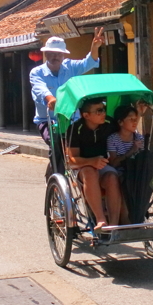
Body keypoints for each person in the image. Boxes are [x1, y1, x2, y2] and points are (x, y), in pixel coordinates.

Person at [30, 28, 105, 145]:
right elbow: (40, 89)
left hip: (72, 119)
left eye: (59, 54)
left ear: (63, 55)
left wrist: (95, 47)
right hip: (48, 120)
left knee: (82, 146)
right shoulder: (36, 72)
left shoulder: (70, 66)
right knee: (57, 145)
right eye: (52, 53)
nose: (56, 56)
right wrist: (51, 99)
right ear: (46, 54)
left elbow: (89, 62)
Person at [67, 98, 125, 231]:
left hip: (104, 166)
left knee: (111, 177)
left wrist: (139, 113)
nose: (103, 113)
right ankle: (101, 220)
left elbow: (126, 128)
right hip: (82, 168)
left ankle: (114, 224)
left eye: (103, 109)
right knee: (90, 172)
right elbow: (71, 160)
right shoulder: (75, 129)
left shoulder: (109, 123)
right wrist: (91, 161)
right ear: (86, 115)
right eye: (99, 111)